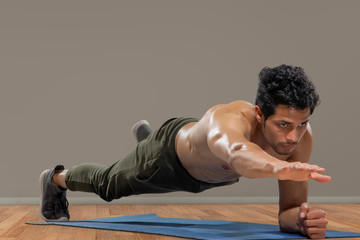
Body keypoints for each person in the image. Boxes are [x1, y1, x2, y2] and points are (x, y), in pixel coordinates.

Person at [40, 64, 331, 239]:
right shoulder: (228, 120)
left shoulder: (299, 139)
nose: (293, 136)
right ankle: (55, 179)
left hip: (205, 172)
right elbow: (238, 152)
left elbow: (288, 213)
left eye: (302, 124)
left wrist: (302, 222)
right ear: (258, 113)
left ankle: (145, 141)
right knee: (107, 185)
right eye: (283, 124)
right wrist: (279, 168)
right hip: (165, 159)